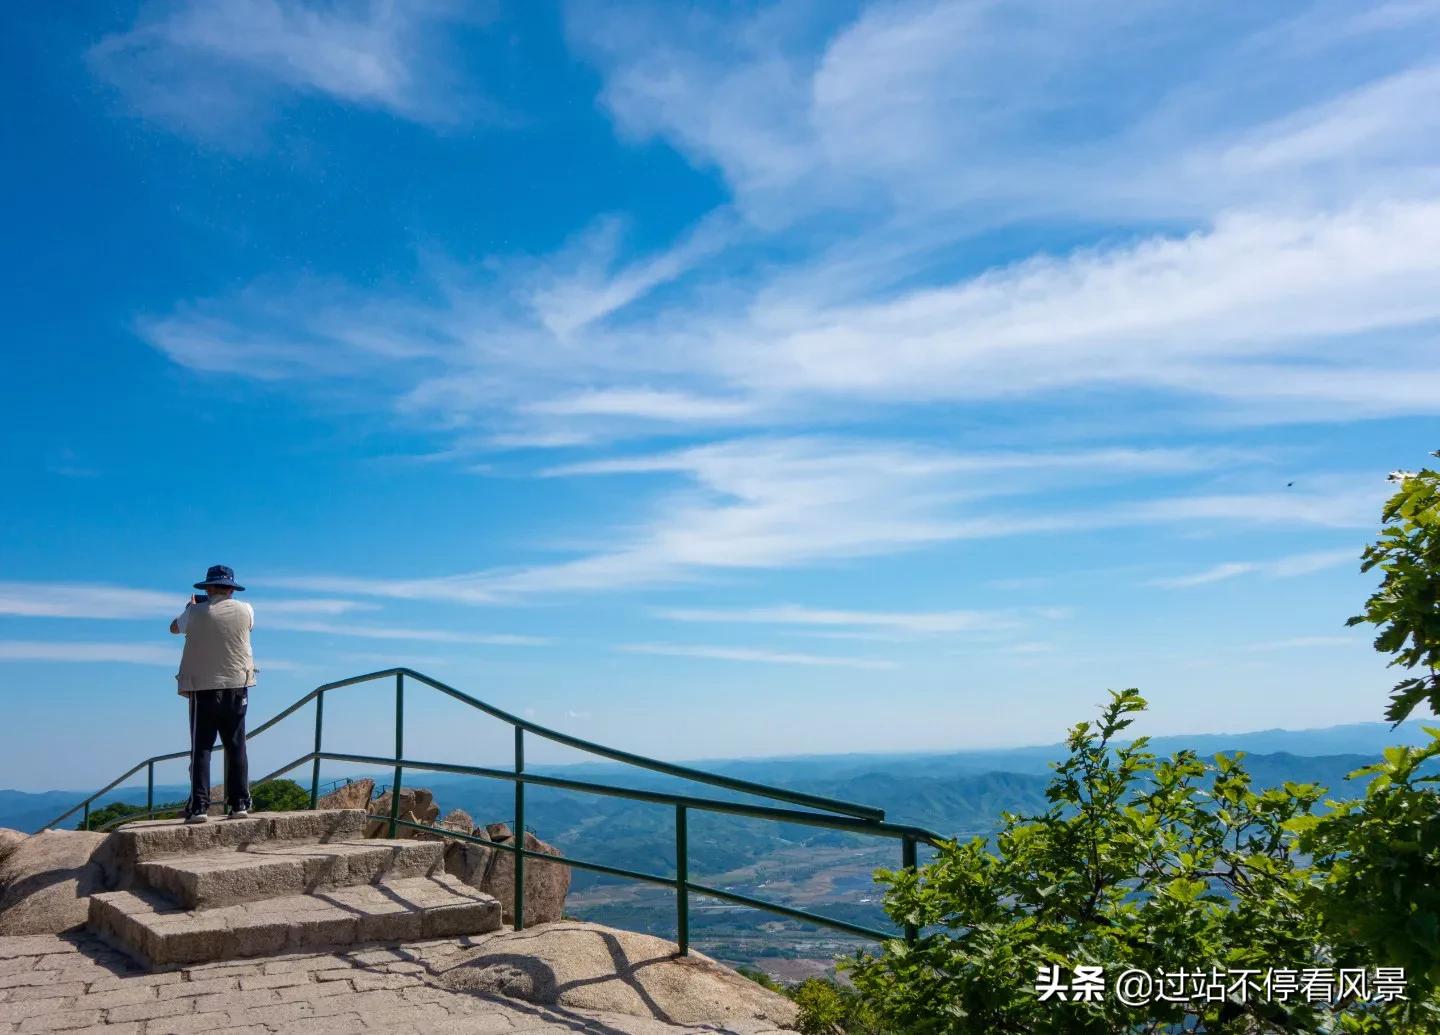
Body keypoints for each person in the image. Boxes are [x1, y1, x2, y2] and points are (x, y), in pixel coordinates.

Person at [169, 564, 257, 823]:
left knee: (202, 748)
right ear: (232, 588)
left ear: (207, 587)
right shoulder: (246, 610)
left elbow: (174, 628)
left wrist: (189, 608)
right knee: (236, 744)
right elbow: (246, 625)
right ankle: (240, 803)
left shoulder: (194, 612)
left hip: (202, 687)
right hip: (237, 685)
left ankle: (199, 806)